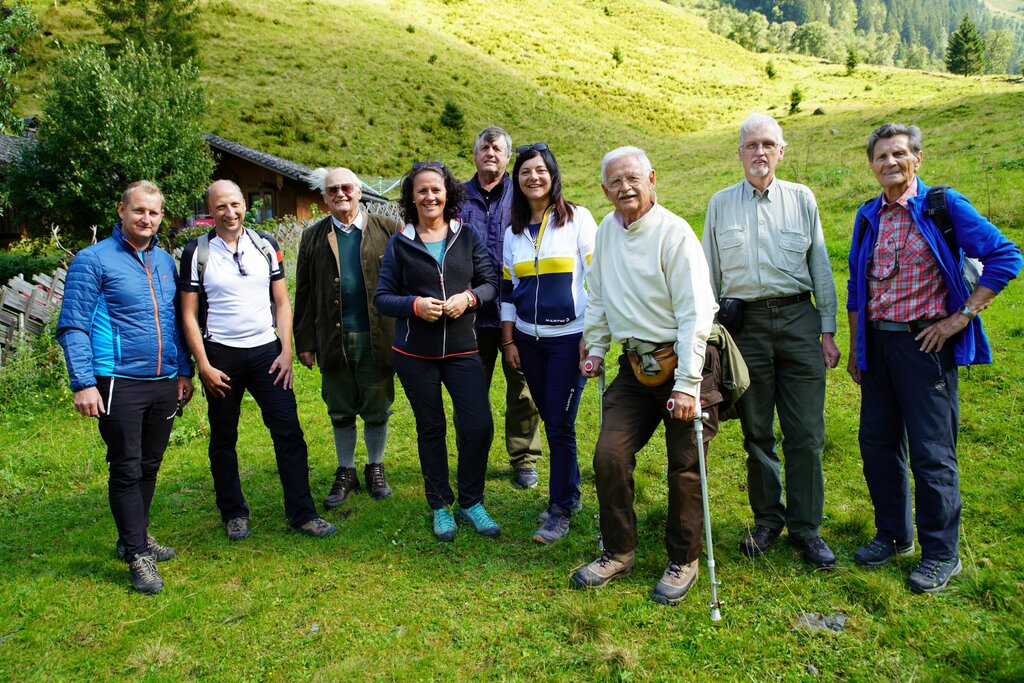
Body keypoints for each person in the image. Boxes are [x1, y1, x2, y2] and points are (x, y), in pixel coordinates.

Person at [847, 123, 1021, 592]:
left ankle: (941, 553)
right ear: (871, 165)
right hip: (878, 349)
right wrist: (856, 347)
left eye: (899, 154)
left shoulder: (942, 206)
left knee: (932, 453)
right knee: (877, 445)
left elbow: (1007, 256)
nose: (890, 163)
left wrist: (960, 317)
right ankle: (893, 535)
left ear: (917, 159)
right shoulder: (868, 215)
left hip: (926, 347)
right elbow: (854, 288)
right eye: (881, 156)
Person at [572, 147, 722, 607]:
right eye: (615, 182)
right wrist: (595, 348)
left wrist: (688, 385)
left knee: (685, 467)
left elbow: (696, 314)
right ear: (604, 190)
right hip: (635, 367)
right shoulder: (605, 231)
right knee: (608, 456)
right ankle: (618, 550)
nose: (625, 188)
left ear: (652, 179)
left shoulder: (675, 234)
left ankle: (685, 558)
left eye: (633, 178)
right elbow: (596, 298)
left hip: (684, 364)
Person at [702, 113, 840, 568]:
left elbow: (820, 266)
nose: (759, 153)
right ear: (739, 153)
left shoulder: (802, 199)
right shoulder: (720, 204)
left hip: (801, 320)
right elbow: (709, 275)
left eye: (768, 145)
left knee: (805, 433)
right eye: (750, 145)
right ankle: (767, 520)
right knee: (757, 430)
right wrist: (709, 335)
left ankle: (807, 528)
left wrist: (828, 330)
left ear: (781, 152)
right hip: (746, 329)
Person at [57, 180, 194, 594]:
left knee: (150, 464)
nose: (146, 219)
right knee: (126, 465)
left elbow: (176, 322)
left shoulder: (166, 262)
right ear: (121, 210)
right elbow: (73, 325)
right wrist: (83, 383)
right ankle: (137, 554)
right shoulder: (92, 260)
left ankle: (135, 535)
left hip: (164, 380)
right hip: (117, 380)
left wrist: (184, 370)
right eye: (139, 211)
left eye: (153, 213)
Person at [179, 180, 335, 542]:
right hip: (220, 355)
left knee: (289, 433)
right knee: (223, 438)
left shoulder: (266, 245)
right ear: (210, 210)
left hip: (267, 351)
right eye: (221, 206)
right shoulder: (197, 252)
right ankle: (233, 512)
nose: (229, 212)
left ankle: (302, 513)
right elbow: (188, 314)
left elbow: (282, 302)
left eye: (235, 204)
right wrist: (202, 364)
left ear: (244, 205)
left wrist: (285, 350)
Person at [374, 162, 499, 542]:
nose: (430, 196)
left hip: (462, 350)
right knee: (432, 429)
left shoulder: (468, 235)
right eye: (422, 190)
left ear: (449, 193)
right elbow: (382, 298)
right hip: (415, 355)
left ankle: (471, 500)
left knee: (478, 426)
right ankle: (440, 505)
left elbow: (490, 282)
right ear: (412, 197)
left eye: (437, 189)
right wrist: (414, 305)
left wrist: (469, 297)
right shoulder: (400, 243)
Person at [500, 142, 597, 543]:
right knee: (551, 417)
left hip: (568, 340)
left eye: (540, 170)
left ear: (553, 175)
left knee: (559, 425)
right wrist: (509, 341)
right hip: (528, 339)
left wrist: (592, 337)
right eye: (525, 172)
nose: (533, 177)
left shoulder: (577, 219)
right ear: (517, 181)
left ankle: (560, 507)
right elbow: (508, 288)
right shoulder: (513, 232)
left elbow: (598, 280)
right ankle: (569, 496)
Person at [294, 167, 401, 506]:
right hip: (333, 338)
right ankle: (346, 470)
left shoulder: (388, 230)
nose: (340, 194)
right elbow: (305, 293)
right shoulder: (312, 237)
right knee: (339, 408)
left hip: (378, 336)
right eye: (332, 190)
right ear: (324, 197)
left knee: (377, 406)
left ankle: (375, 466)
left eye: (345, 188)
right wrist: (305, 342)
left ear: (358, 191)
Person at [459, 126, 543, 489]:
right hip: (469, 314)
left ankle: (524, 456)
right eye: (484, 147)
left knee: (524, 390)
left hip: (517, 309)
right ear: (475, 154)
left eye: (497, 148)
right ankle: (471, 453)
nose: (490, 152)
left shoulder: (523, 194)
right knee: (469, 389)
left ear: (507, 157)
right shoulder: (456, 196)